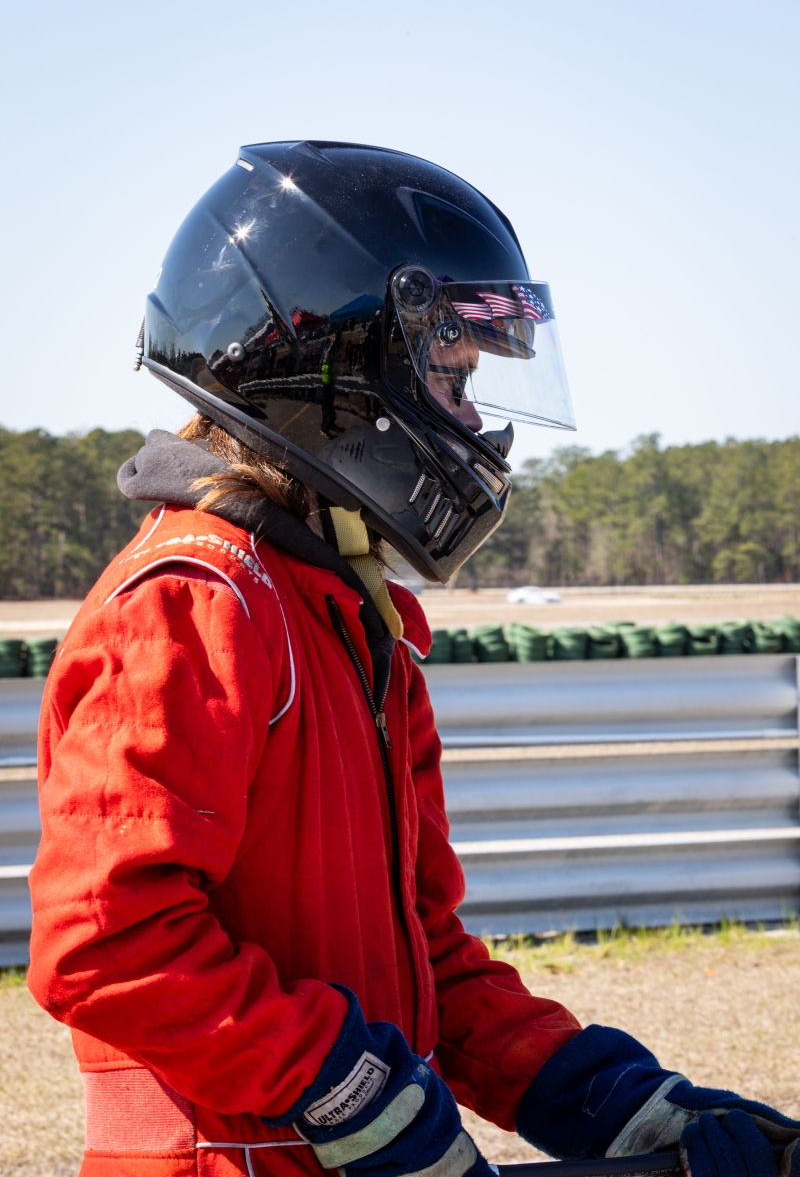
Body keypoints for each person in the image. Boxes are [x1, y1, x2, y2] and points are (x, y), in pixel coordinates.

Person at [28, 141, 800, 1177]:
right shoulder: (195, 604)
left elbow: (422, 956)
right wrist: (353, 1096)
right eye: (451, 374)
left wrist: (607, 1102)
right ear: (342, 373)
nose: (475, 421)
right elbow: (108, 943)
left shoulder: (352, 622)